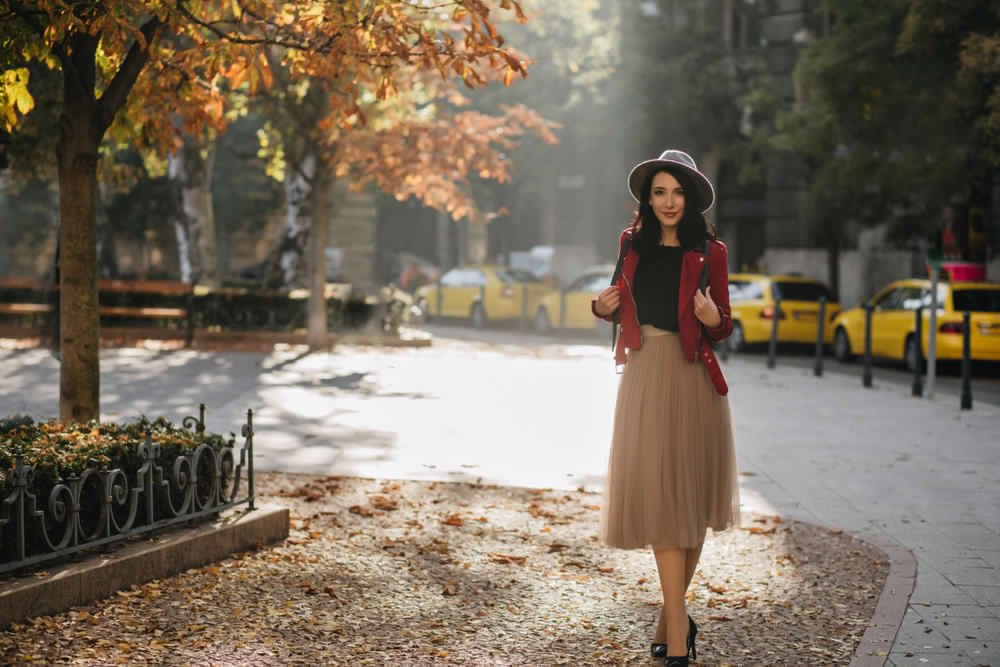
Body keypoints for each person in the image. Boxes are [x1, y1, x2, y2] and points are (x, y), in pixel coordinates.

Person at [592, 149, 740, 666]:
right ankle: (678, 638)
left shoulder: (711, 252)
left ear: (692, 197)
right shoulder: (630, 245)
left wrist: (712, 315)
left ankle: (668, 620)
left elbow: (724, 326)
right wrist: (599, 307)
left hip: (692, 377)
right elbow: (613, 299)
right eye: (659, 191)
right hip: (645, 374)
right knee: (661, 498)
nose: (669, 201)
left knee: (691, 505)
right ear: (647, 198)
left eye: (677, 192)